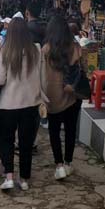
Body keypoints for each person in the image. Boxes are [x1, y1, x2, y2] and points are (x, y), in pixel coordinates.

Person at [0, 17, 45, 191]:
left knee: (7, 141)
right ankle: (24, 179)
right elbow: (41, 75)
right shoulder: (36, 50)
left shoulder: (5, 52)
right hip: (31, 103)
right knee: (26, 143)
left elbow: (0, 80)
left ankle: (9, 176)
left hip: (8, 104)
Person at [42, 16, 83, 180]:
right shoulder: (74, 47)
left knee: (54, 131)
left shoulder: (45, 50)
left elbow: (41, 75)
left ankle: (58, 166)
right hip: (71, 96)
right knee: (70, 130)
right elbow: (82, 67)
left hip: (52, 96)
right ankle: (68, 163)